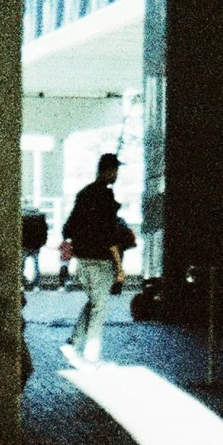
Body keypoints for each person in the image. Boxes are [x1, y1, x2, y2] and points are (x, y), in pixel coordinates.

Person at [61, 153, 135, 365]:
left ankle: (73, 343)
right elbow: (110, 236)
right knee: (99, 307)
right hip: (101, 262)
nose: (117, 175)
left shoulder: (83, 194)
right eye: (116, 171)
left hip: (83, 261)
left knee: (94, 303)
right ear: (109, 171)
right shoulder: (105, 198)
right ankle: (91, 356)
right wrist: (119, 267)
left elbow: (68, 228)